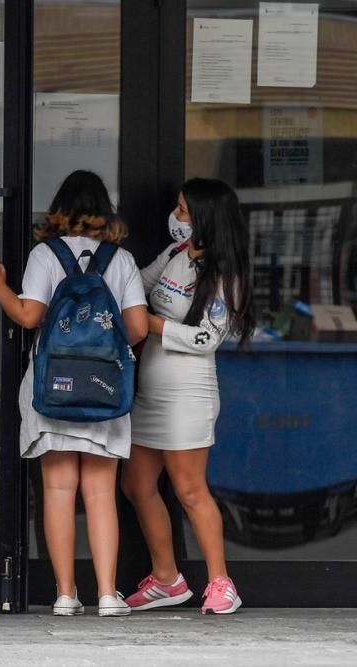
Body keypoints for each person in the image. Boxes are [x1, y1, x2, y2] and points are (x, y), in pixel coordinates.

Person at [0, 170, 148, 617]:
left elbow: (30, 316)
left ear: (60, 208)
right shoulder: (122, 261)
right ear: (104, 211)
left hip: (53, 385)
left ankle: (65, 594)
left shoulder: (44, 255)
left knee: (57, 488)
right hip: (106, 387)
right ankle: (109, 595)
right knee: (99, 492)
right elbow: (137, 329)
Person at [121, 178, 254, 615]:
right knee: (137, 484)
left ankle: (221, 583)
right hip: (150, 389)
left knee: (189, 489)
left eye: (182, 211)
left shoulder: (225, 275)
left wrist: (150, 324)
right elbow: (137, 284)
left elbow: (206, 339)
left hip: (189, 393)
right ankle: (166, 579)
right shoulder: (176, 255)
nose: (176, 218)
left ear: (205, 218)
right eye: (177, 209)